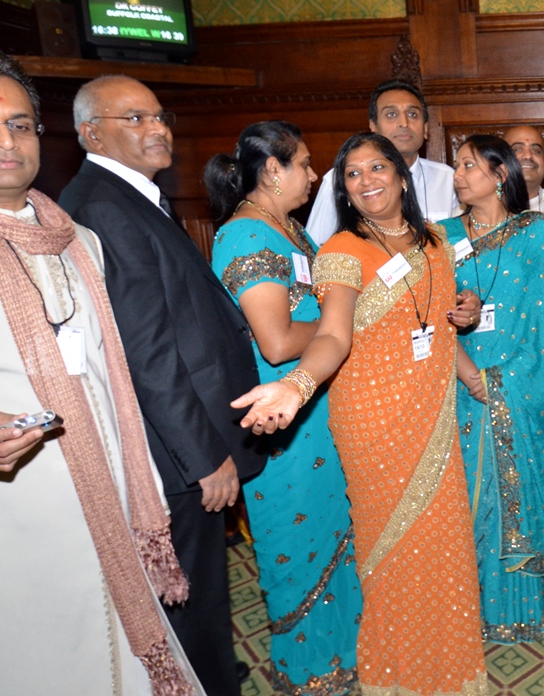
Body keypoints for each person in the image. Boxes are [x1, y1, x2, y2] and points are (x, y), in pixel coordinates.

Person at [0, 47, 202, 695]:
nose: (3, 138)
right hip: (6, 520)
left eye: (18, 123)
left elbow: (107, 373)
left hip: (112, 504)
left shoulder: (77, 240)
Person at [232, 132, 488, 695]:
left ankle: (448, 672)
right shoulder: (343, 250)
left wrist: (467, 343)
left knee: (443, 547)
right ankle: (395, 679)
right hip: (373, 420)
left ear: (403, 176)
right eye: (352, 173)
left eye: (378, 167)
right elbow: (332, 334)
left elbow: (436, 325)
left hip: (433, 416)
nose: (367, 180)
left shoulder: (435, 243)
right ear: (343, 189)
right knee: (392, 555)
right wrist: (296, 386)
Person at [59, 75, 266, 696]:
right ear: (90, 133)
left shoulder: (130, 194)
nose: (158, 130)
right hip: (177, 453)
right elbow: (145, 353)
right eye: (134, 119)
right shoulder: (102, 206)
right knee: (187, 593)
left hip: (190, 437)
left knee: (201, 588)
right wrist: (205, 458)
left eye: (158, 116)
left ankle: (209, 671)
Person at [203, 121, 362, 694]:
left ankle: (344, 656)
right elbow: (273, 340)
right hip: (282, 418)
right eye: (305, 163)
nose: (316, 175)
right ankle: (309, 672)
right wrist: (345, 324)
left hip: (318, 409)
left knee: (340, 533)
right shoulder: (245, 237)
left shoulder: (288, 230)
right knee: (298, 543)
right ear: (273, 170)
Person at [440, 134, 544, 643]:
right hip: (452, 383)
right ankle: (459, 612)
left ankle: (511, 608)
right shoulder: (439, 237)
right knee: (458, 499)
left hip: (518, 384)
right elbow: (419, 310)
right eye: (456, 166)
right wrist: (457, 325)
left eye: (469, 166)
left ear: (501, 174)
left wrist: (500, 382)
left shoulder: (539, 232)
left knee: (507, 496)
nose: (458, 176)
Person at [306, 79, 458, 246]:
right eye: (391, 114)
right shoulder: (341, 179)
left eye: (412, 114)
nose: (404, 123)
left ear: (426, 128)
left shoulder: (448, 179)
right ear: (374, 127)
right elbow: (314, 248)